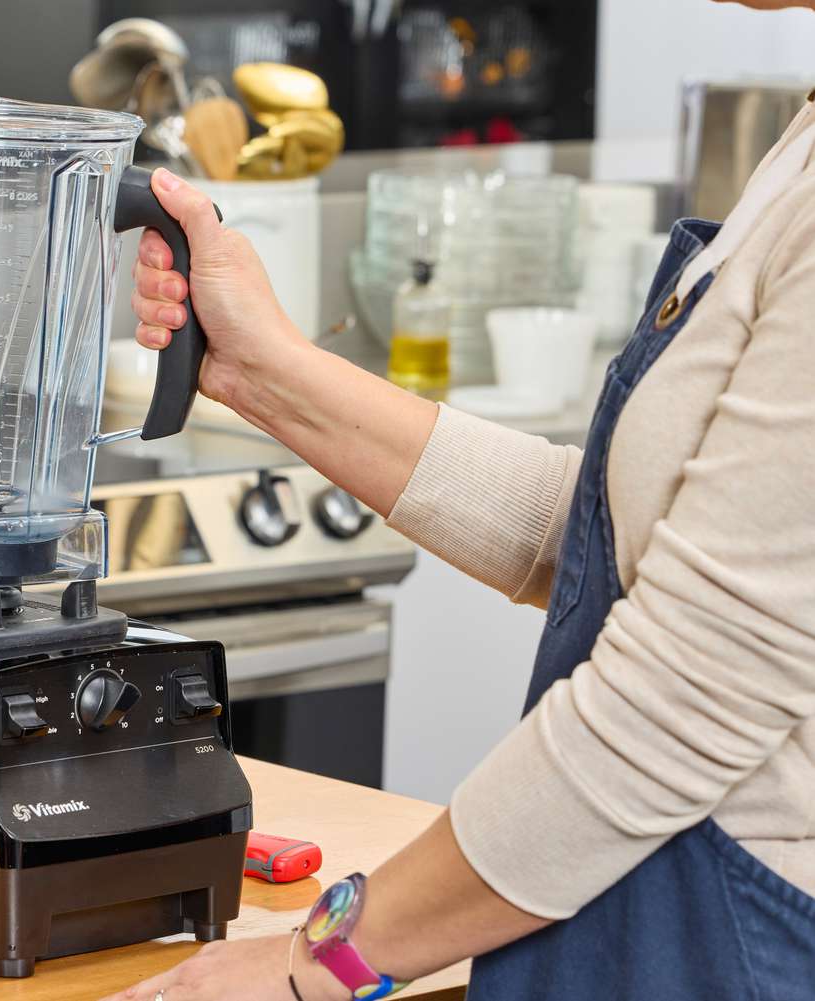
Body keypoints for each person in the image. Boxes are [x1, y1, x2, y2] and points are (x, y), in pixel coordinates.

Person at [102, 4, 815, 999]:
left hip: (725, 947)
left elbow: (682, 699)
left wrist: (314, 958)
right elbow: (622, 532)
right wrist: (265, 372)